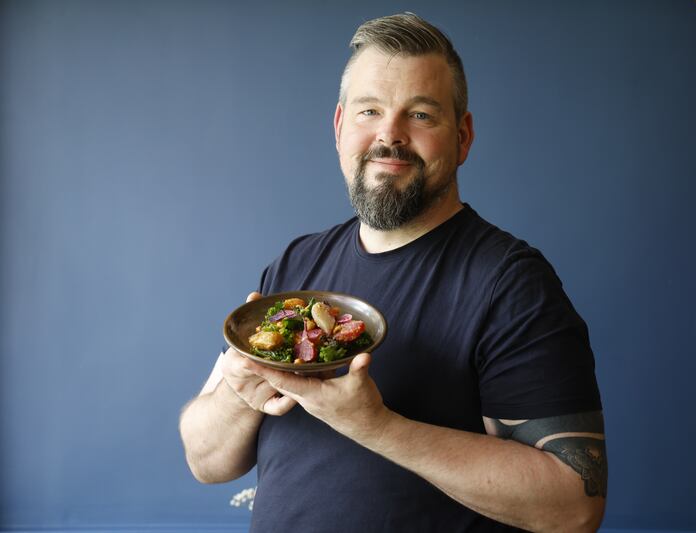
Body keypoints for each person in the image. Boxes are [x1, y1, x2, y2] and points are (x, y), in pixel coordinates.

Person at [179, 12, 607, 533]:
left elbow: (573, 504)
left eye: (421, 115)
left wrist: (376, 427)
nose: (390, 135)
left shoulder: (512, 283)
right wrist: (240, 389)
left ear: (463, 136)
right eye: (369, 111)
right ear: (340, 128)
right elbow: (207, 461)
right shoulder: (294, 267)